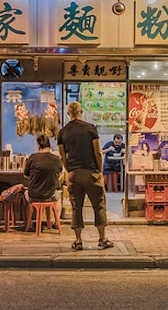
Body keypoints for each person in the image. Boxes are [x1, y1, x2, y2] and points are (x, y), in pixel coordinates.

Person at [58, 101, 114, 251]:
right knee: (99, 205)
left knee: (76, 207)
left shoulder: (63, 132)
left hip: (74, 174)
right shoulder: (90, 128)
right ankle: (102, 239)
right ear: (81, 111)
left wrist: (70, 170)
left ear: (68, 113)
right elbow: (97, 152)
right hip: (91, 172)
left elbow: (62, 156)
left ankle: (78, 241)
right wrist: (99, 171)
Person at [24, 134, 63, 204]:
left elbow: (26, 176)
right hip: (50, 195)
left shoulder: (32, 157)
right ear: (49, 145)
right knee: (59, 195)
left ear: (38, 146)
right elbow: (59, 174)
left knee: (25, 193)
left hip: (33, 195)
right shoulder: (56, 159)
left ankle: (30, 214)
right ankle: (56, 215)